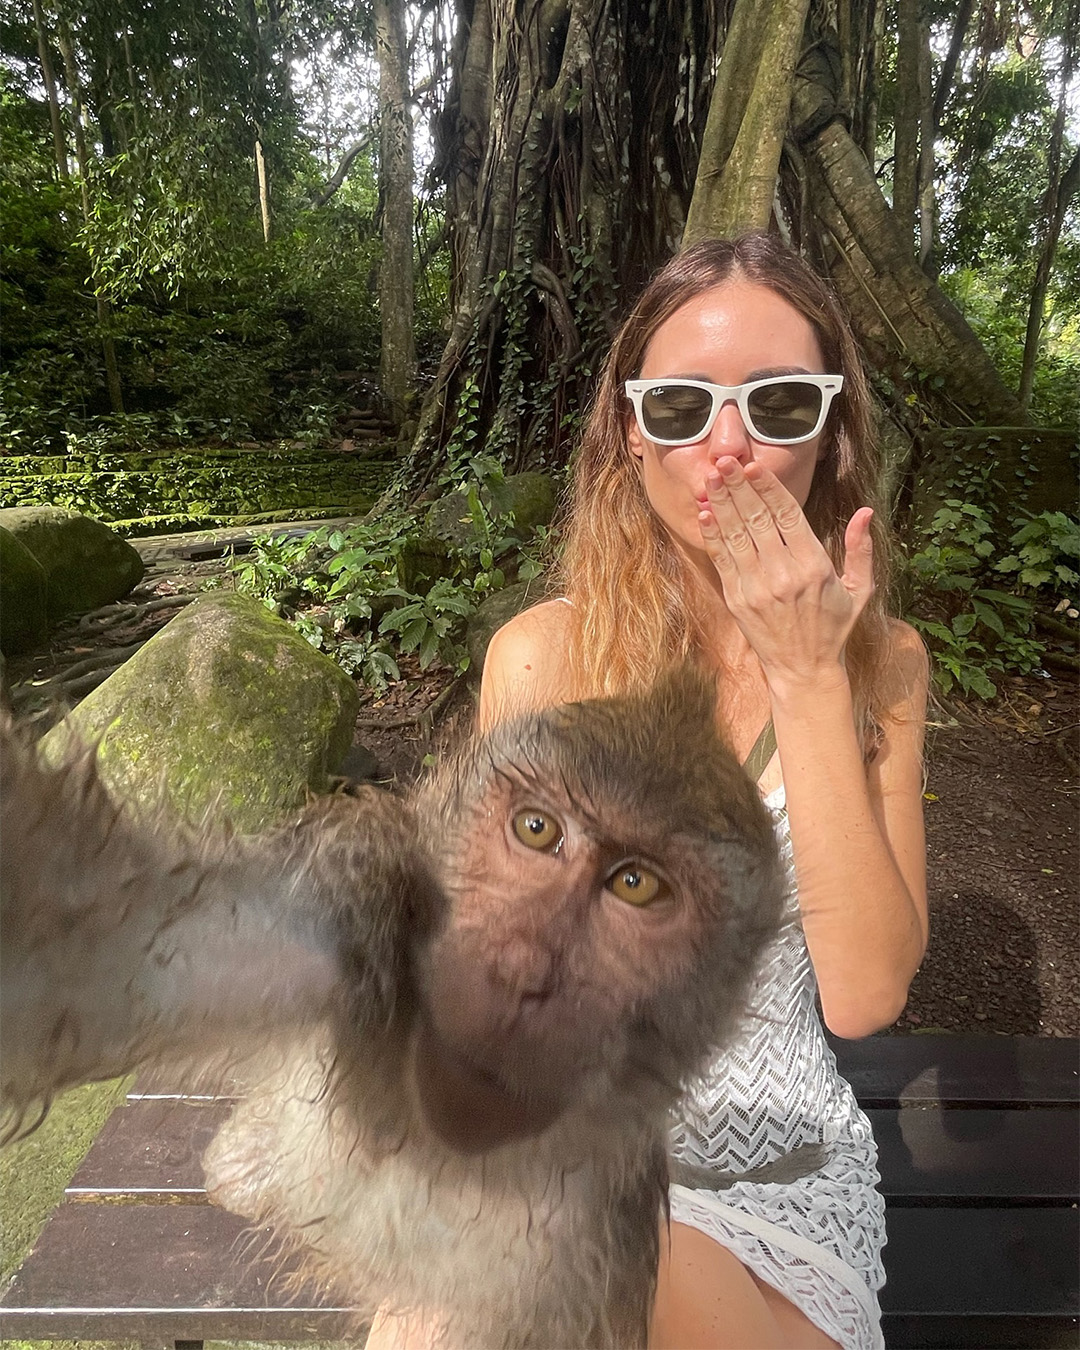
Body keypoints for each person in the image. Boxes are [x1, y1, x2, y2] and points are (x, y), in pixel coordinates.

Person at [367, 233, 928, 1349]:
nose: (730, 449)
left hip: (777, 1182)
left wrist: (810, 677)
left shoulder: (886, 666)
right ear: (631, 433)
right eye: (681, 407)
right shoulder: (542, 661)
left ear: (831, 430)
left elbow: (864, 995)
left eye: (777, 403)